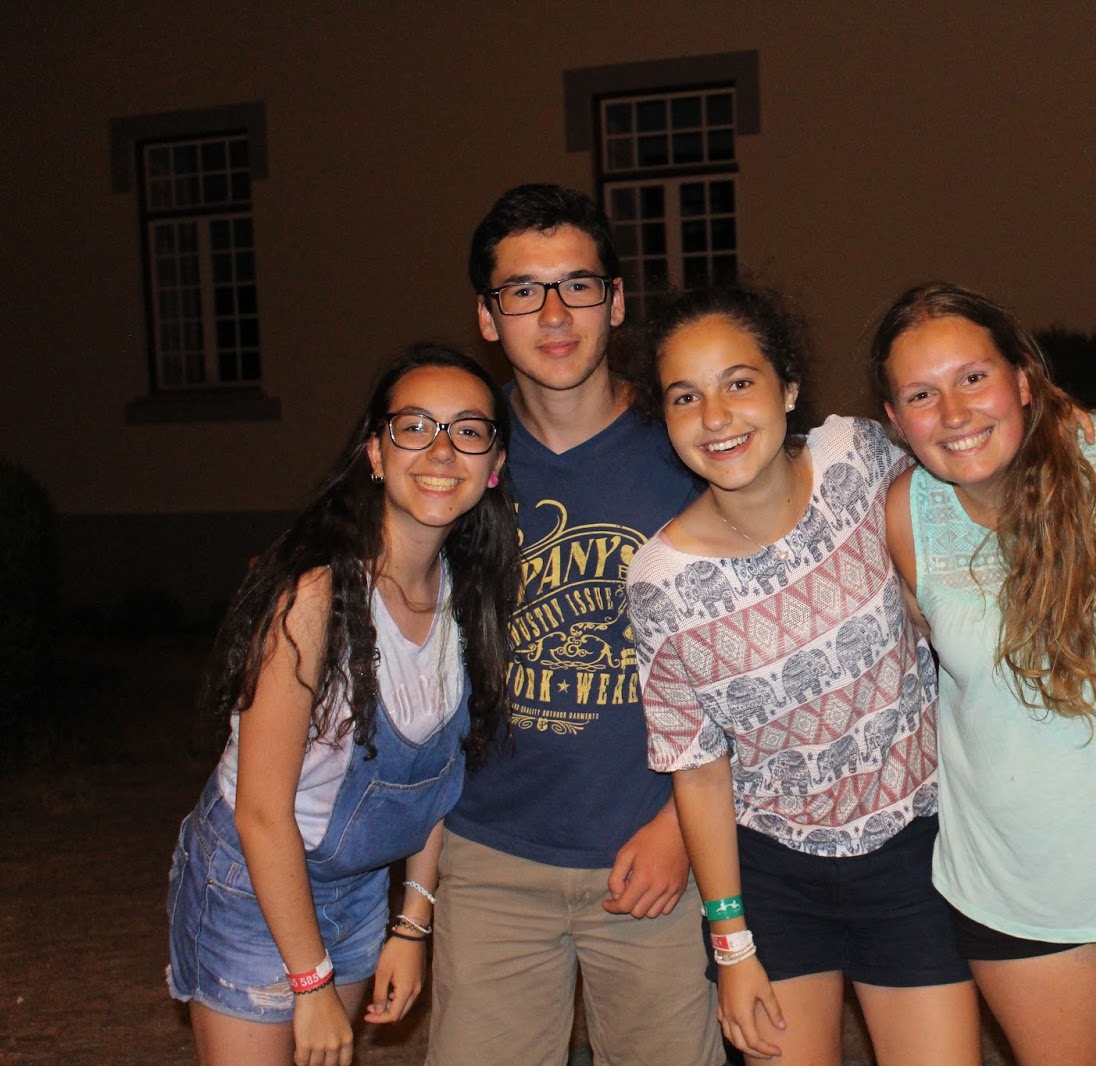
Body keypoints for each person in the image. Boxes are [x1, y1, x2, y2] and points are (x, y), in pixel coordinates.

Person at [626, 286, 982, 1064]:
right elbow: (700, 771)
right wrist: (731, 946)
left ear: (788, 387)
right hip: (775, 880)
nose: (715, 416)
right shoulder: (658, 582)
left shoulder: (857, 455)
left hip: (914, 852)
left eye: (738, 382)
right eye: (686, 397)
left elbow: (962, 509)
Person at [870, 283, 1096, 1066]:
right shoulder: (906, 515)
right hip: (1009, 882)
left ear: (1023, 378)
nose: (954, 412)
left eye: (974, 377)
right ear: (895, 420)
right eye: (922, 395)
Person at [427, 185, 721, 1065]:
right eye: (523, 290)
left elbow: (753, 646)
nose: (553, 314)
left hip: (654, 848)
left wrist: (681, 827)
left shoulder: (689, 444)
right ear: (488, 316)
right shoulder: (458, 453)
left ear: (616, 300)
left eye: (578, 285)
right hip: (492, 857)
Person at [166, 343, 519, 1066]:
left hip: (359, 890)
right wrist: (310, 980)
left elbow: (435, 781)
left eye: (468, 431)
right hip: (251, 885)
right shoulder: (315, 598)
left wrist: (412, 924)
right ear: (376, 454)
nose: (441, 450)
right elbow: (261, 812)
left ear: (495, 466)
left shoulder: (469, 597)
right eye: (414, 427)